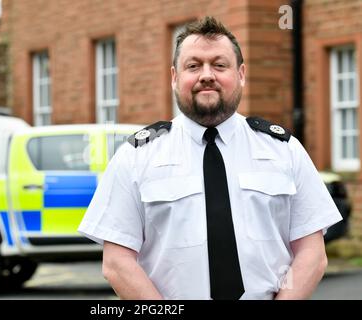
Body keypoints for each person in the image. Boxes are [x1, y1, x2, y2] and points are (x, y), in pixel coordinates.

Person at [78, 16, 342, 300]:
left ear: (240, 74)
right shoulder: (136, 156)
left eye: (219, 65)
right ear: (174, 77)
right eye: (193, 66)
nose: (207, 75)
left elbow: (312, 254)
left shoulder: (283, 149)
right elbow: (117, 263)